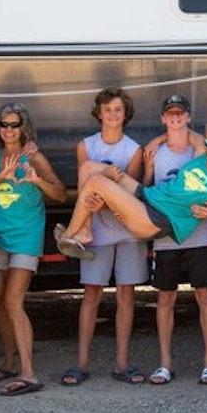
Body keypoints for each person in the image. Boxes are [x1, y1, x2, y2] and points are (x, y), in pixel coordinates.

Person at [56, 121, 207, 388]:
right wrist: (157, 139)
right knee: (90, 168)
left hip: (160, 219)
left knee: (96, 182)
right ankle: (84, 232)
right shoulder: (201, 157)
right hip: (149, 197)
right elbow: (186, 127)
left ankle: (72, 235)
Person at [0, 103, 66, 396]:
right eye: (4, 125)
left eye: (14, 125)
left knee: (13, 302)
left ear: (23, 127)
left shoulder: (33, 156)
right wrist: (0, 176)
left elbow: (61, 193)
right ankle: (9, 362)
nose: (9, 130)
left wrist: (37, 181)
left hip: (26, 238)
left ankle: (28, 372)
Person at [62, 88, 146, 387]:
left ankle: (122, 363)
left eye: (118, 110)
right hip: (95, 229)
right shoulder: (86, 146)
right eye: (107, 109)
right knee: (91, 295)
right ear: (98, 113)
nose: (112, 115)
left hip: (126, 228)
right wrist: (93, 205)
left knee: (126, 295)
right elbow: (83, 186)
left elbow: (131, 191)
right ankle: (81, 363)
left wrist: (106, 201)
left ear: (126, 114)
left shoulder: (134, 149)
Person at [142, 95, 207, 386]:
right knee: (165, 298)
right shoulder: (155, 153)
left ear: (188, 117)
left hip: (199, 233)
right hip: (167, 236)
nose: (174, 118)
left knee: (205, 296)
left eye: (180, 114)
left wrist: (164, 135)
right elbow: (146, 189)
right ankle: (164, 364)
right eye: (169, 114)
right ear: (162, 117)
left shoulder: (198, 149)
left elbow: (202, 144)